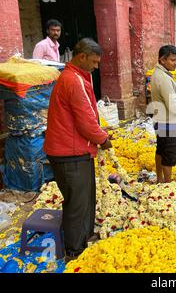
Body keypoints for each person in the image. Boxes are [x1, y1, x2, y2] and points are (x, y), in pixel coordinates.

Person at [44, 38, 112, 261]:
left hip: (74, 150)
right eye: (93, 62)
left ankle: (84, 237)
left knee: (84, 199)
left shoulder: (76, 77)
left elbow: (87, 116)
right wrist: (103, 138)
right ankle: (74, 251)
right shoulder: (73, 80)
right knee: (77, 203)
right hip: (69, 152)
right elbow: (86, 121)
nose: (96, 66)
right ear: (81, 57)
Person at [151, 45, 176, 183]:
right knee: (169, 155)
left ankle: (159, 179)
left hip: (160, 119)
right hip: (168, 122)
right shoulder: (164, 78)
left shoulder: (158, 73)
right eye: (173, 60)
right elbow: (174, 107)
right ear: (162, 60)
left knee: (161, 150)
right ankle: (168, 186)